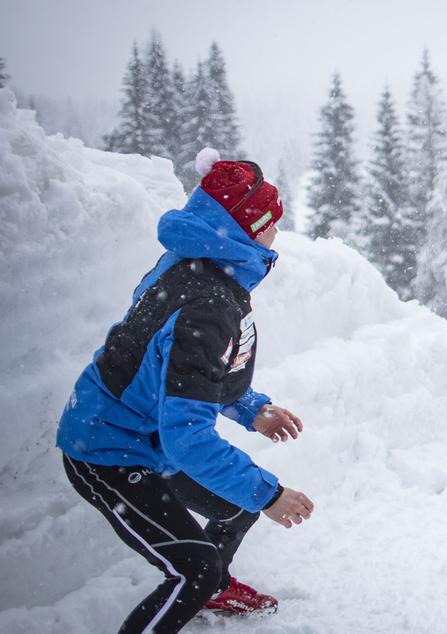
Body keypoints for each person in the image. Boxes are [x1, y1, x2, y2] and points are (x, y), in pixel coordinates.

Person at [56, 150, 315, 633]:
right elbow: (188, 438)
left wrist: (251, 409)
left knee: (235, 506)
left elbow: (181, 370)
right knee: (193, 568)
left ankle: (211, 590)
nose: (277, 233)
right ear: (249, 229)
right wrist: (271, 494)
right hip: (107, 450)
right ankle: (202, 584)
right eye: (271, 222)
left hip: (145, 435)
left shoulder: (195, 264)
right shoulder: (209, 304)